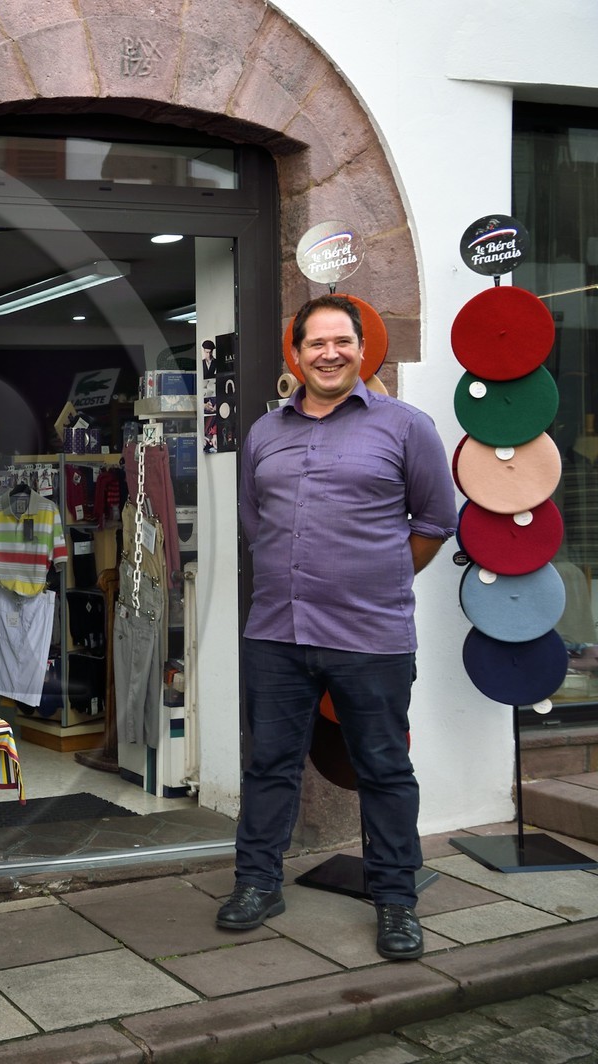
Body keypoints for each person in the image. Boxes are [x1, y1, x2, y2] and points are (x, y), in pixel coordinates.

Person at [219, 294, 456, 962]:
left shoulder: (407, 427)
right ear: (295, 355)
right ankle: (257, 883)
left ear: (360, 348)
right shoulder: (265, 434)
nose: (329, 353)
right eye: (315, 343)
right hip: (275, 631)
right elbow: (255, 521)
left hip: (370, 635)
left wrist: (374, 575)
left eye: (341, 342)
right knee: (269, 764)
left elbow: (435, 523)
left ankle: (396, 901)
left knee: (382, 766)